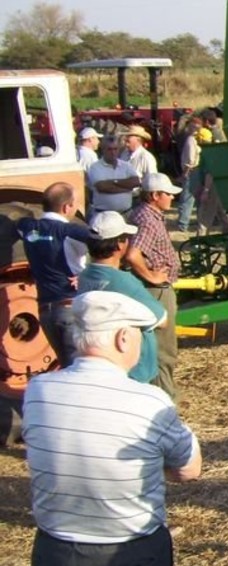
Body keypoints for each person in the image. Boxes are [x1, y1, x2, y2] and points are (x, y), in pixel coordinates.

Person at [23, 290, 202, 566]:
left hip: (58, 554)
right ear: (124, 338)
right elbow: (189, 469)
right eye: (141, 334)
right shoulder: (149, 402)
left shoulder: (38, 391)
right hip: (130, 555)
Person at [77, 211, 166, 384]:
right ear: (119, 245)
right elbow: (161, 320)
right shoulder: (124, 282)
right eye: (126, 238)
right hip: (133, 370)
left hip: (101, 363)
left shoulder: (84, 276)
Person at [17, 182, 91, 367]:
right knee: (81, 367)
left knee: (66, 366)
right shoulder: (70, 232)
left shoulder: (27, 228)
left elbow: (20, 224)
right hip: (70, 306)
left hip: (45, 312)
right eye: (74, 204)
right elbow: (106, 247)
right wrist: (86, 274)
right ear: (67, 207)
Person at [125, 173, 183, 398]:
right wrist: (152, 276)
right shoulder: (148, 220)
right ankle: (166, 397)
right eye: (168, 194)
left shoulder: (142, 214)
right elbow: (133, 254)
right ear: (155, 195)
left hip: (153, 289)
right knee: (164, 348)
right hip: (157, 291)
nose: (171, 198)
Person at [85, 136, 140, 213]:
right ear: (103, 150)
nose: (113, 152)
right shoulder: (95, 167)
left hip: (126, 214)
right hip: (104, 214)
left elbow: (136, 182)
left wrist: (114, 182)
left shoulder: (126, 166)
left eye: (115, 149)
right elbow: (102, 187)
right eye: (109, 149)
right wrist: (126, 189)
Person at [176, 121, 203, 232]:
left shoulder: (190, 140)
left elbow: (191, 159)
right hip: (197, 171)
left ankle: (183, 224)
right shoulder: (197, 140)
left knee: (186, 198)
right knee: (197, 199)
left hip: (191, 171)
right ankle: (200, 221)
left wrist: (185, 173)